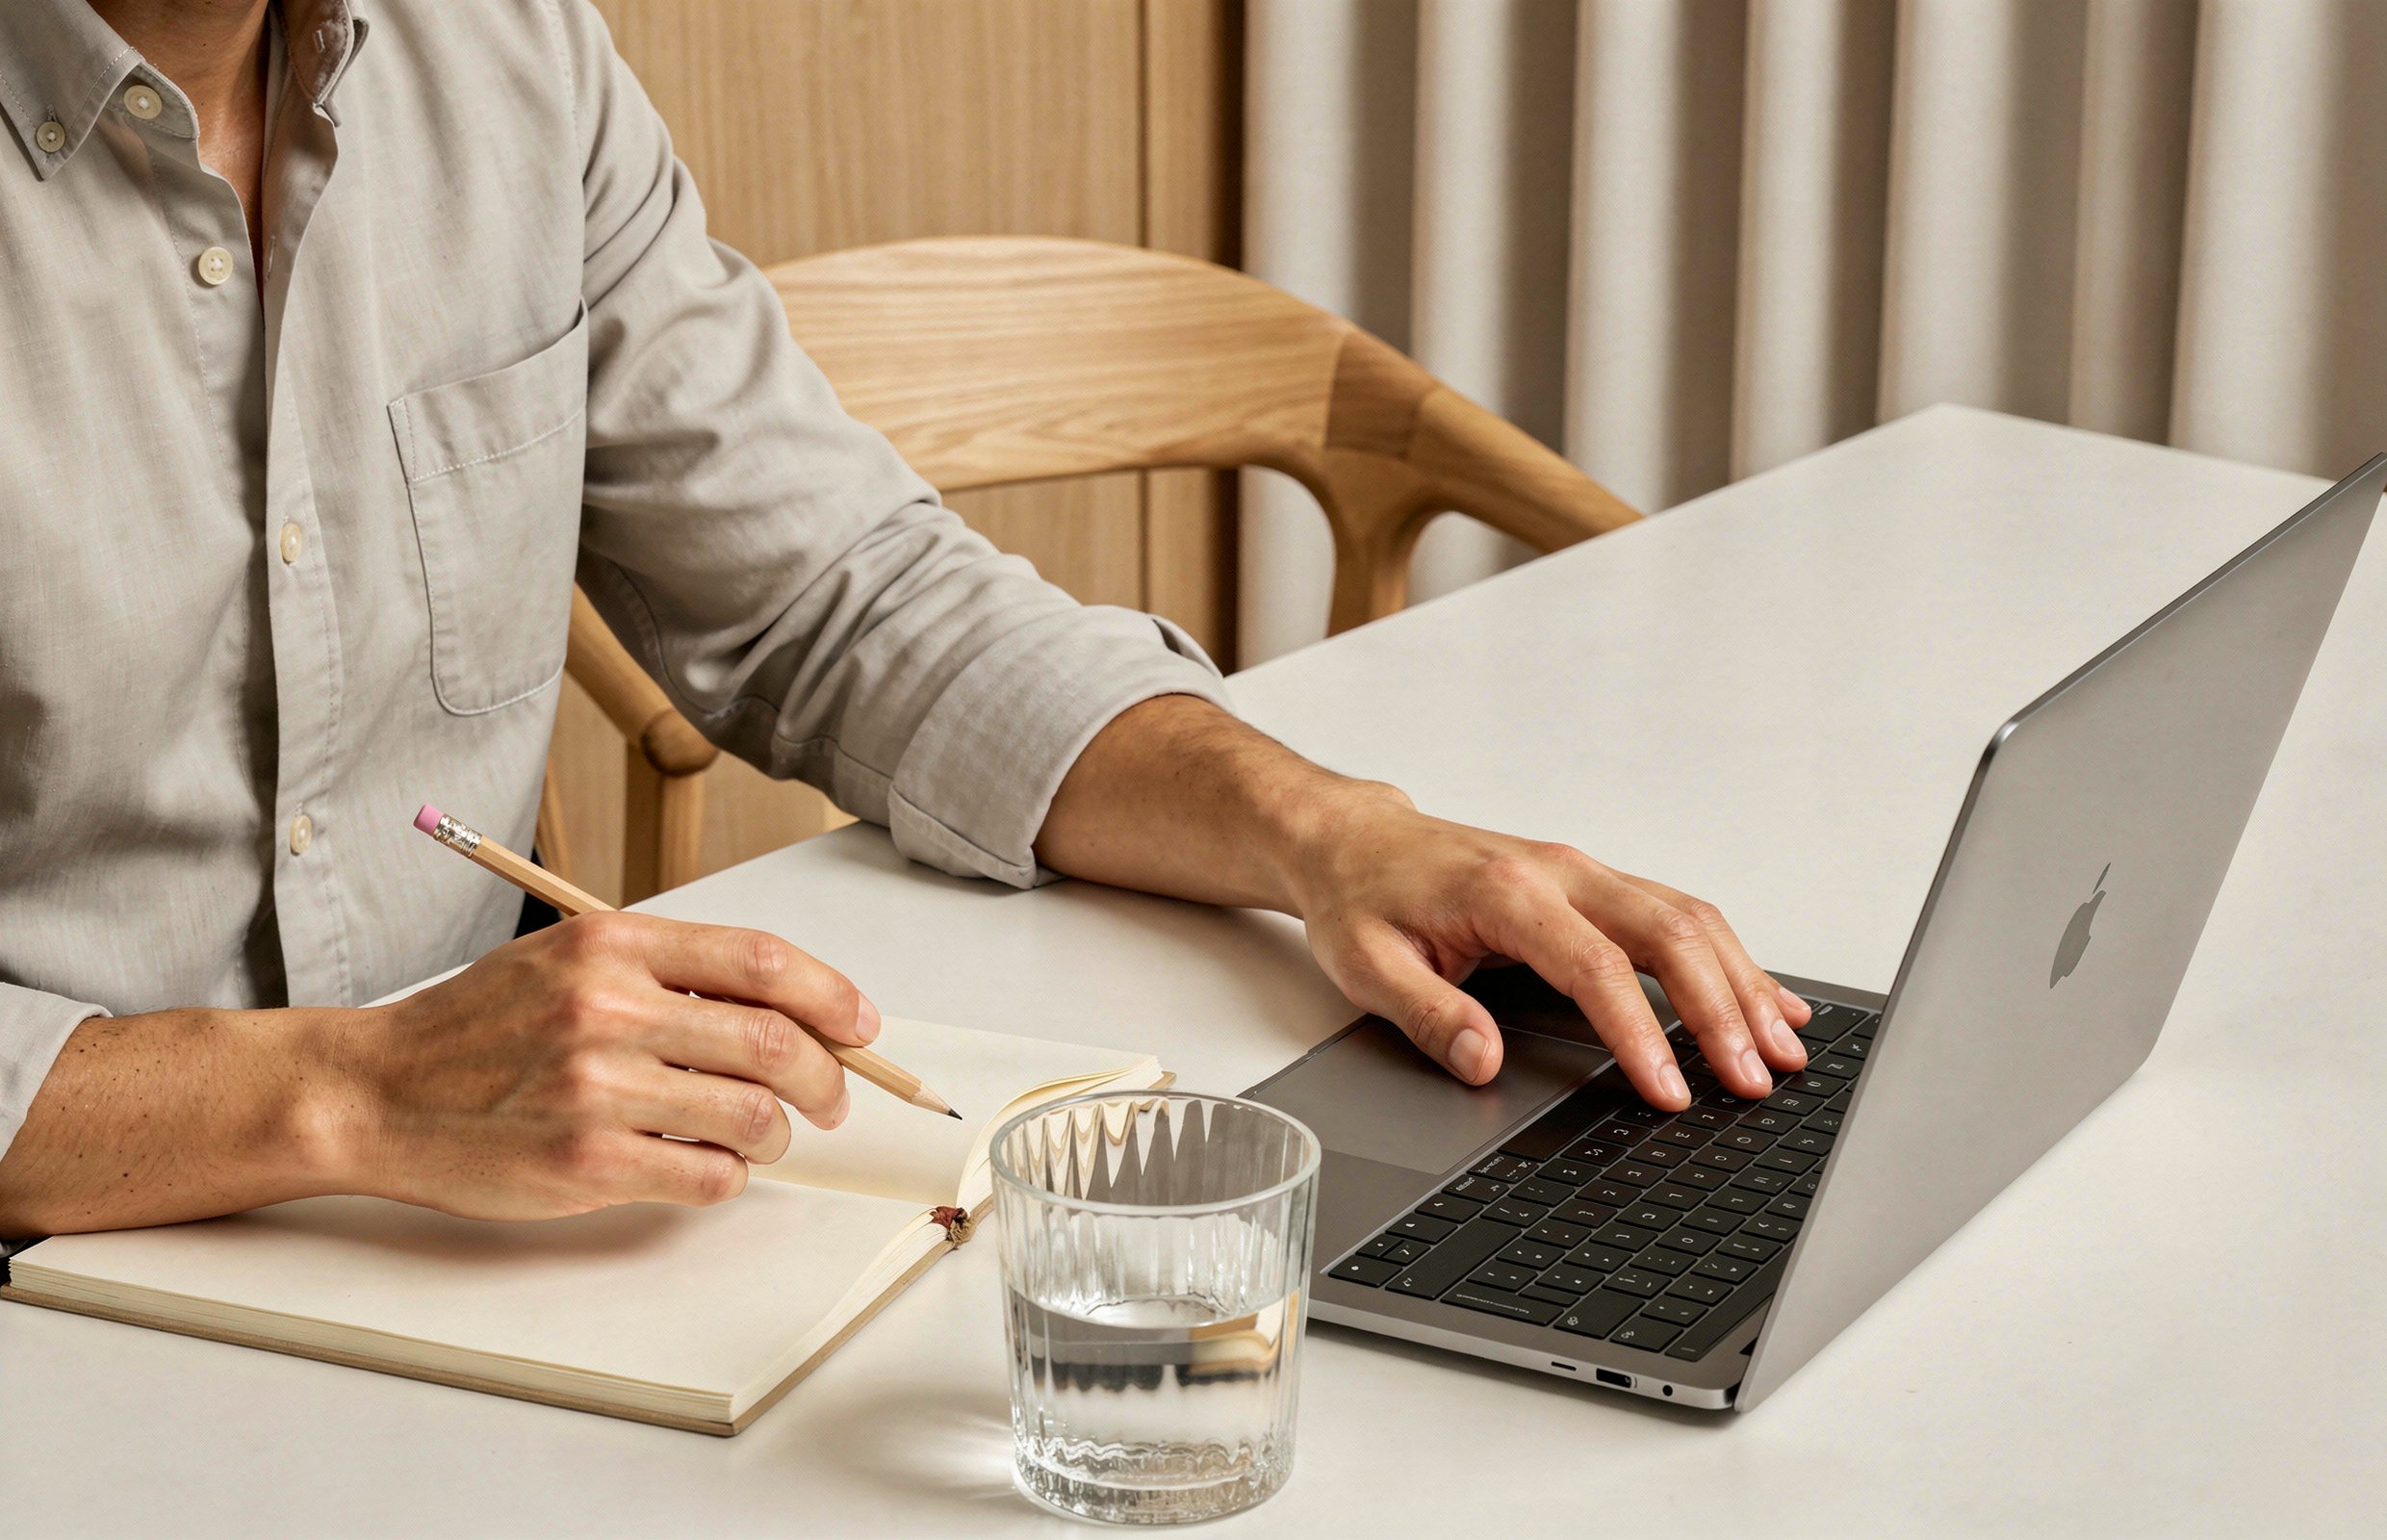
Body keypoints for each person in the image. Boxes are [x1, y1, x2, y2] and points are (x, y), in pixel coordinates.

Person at [0, 0, 1810, 1236]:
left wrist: (1330, 831)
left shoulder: (504, 51)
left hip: (486, 1251)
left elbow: (835, 590)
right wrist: (351, 1090)